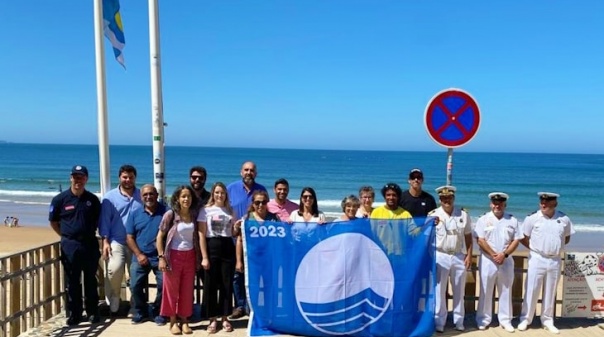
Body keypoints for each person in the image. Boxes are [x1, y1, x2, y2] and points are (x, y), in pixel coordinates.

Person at [49, 165, 101, 325]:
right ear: (71, 178)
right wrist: (66, 236)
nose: (78, 180)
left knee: (91, 280)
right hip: (70, 245)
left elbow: (98, 221)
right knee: (72, 280)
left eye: (81, 177)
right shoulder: (59, 200)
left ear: (86, 179)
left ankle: (92, 312)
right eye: (75, 176)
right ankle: (75, 314)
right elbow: (53, 222)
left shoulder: (92, 200)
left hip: (89, 244)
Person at [517, 192, 575, 334]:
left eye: (547, 202)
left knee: (551, 290)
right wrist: (533, 248)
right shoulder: (532, 218)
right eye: (542, 202)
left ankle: (547, 320)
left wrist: (556, 247)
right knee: (531, 289)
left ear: (554, 204)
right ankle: (526, 319)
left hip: (555, 259)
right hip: (537, 258)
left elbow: (566, 238)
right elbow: (523, 236)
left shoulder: (564, 218)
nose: (543, 204)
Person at [474, 192, 522, 333]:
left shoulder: (512, 220)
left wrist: (504, 254)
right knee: (485, 290)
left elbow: (517, 240)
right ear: (491, 204)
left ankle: (506, 320)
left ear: (505, 205)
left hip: (506, 260)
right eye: (495, 203)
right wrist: (494, 255)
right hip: (488, 260)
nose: (497, 205)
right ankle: (483, 319)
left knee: (506, 290)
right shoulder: (483, 219)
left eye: (500, 203)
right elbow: (480, 240)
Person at [156, 186, 200, 335]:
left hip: (190, 255)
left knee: (187, 290)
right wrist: (162, 257)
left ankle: (185, 320)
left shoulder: (194, 215)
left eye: (188, 196)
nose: (186, 199)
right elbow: (159, 237)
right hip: (173, 256)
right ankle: (173, 321)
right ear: (177, 199)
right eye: (183, 197)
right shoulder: (170, 215)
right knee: (171, 291)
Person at [98, 164, 142, 315]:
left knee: (136, 273)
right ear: (119, 178)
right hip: (117, 241)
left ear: (135, 178)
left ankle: (135, 302)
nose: (128, 180)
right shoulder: (109, 198)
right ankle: (115, 296)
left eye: (131, 177)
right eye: (125, 177)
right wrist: (105, 241)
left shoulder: (142, 195)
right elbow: (104, 221)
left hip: (136, 242)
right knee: (114, 269)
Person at [429, 185, 472, 332]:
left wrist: (469, 255)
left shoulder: (463, 214)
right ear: (440, 199)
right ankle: (439, 322)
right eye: (443, 198)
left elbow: (468, 236)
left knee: (459, 290)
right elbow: (427, 237)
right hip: (440, 255)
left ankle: (459, 321)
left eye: (449, 198)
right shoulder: (433, 215)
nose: (446, 200)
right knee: (439, 291)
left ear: (453, 198)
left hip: (458, 255)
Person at [227, 161, 267, 319]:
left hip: (254, 243)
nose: (249, 172)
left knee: (253, 274)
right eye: (246, 170)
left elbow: (265, 211)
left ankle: (251, 305)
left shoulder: (261, 190)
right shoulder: (231, 188)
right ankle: (239, 305)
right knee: (237, 274)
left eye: (252, 170)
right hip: (233, 238)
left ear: (255, 173)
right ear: (241, 172)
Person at [197, 182, 237, 334]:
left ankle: (225, 317)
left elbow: (233, 233)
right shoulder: (205, 210)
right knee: (211, 285)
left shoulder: (230, 210)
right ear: (213, 194)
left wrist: (237, 227)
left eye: (223, 193)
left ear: (226, 195)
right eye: (217, 192)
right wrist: (204, 257)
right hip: (211, 246)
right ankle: (213, 319)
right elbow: (201, 234)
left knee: (227, 285)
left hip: (227, 247)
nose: (220, 195)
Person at [126, 184, 167, 325]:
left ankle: (158, 311)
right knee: (134, 285)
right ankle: (141, 311)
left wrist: (163, 256)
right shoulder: (135, 214)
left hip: (160, 257)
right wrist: (138, 254)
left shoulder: (166, 212)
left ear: (157, 195)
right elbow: (129, 237)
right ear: (141, 197)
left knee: (164, 284)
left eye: (151, 194)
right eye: (145, 195)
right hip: (140, 256)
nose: (148, 197)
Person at [369, 183, 413, 255]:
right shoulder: (376, 212)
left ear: (398, 197)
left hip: (399, 254)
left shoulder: (405, 214)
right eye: (388, 195)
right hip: (381, 253)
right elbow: (371, 232)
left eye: (394, 195)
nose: (391, 197)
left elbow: (413, 232)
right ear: (384, 196)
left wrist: (427, 225)